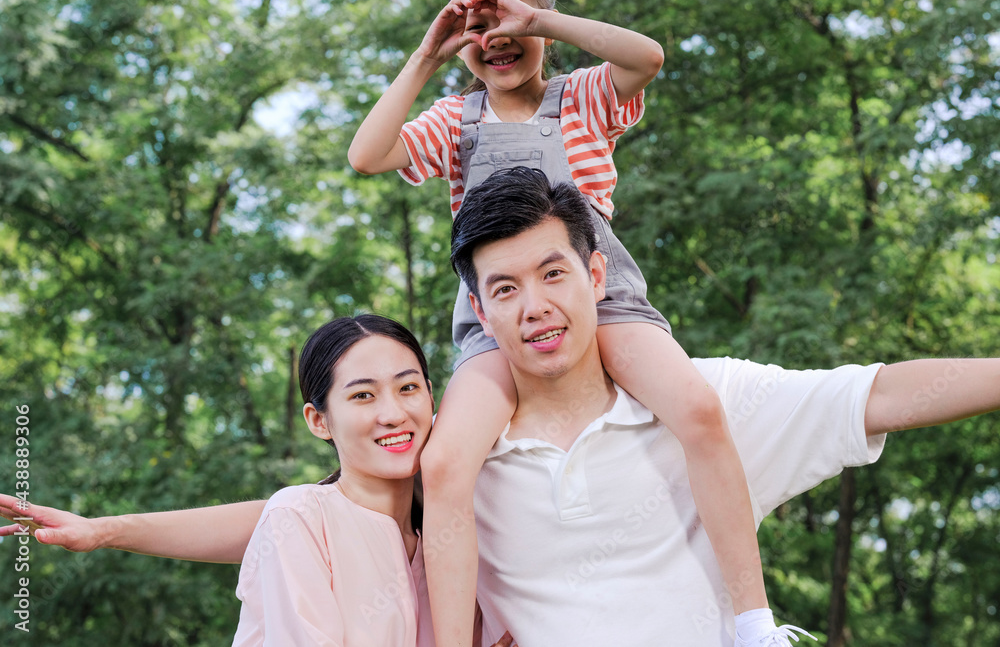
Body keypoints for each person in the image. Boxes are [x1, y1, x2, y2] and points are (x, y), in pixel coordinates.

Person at [5, 171, 1000, 644]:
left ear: (594, 274)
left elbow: (880, 389)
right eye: (505, 288)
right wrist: (108, 532)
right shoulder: (459, 461)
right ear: (479, 312)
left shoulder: (707, 405)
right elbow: (291, 516)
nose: (535, 305)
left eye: (551, 273)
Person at [346, 0, 785, 647]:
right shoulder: (453, 123)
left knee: (699, 408)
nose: (496, 42)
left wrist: (542, 20)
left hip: (603, 302)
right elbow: (366, 155)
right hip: (499, 327)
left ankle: (754, 621)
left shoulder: (579, 97)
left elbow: (646, 57)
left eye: (509, 23)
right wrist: (429, 53)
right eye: (476, 33)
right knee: (445, 463)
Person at [0, 315, 514, 647]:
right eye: (362, 396)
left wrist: (105, 529)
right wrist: (103, 530)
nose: (393, 413)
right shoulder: (299, 518)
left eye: (408, 388)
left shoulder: (448, 537)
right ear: (318, 421)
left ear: (433, 397)